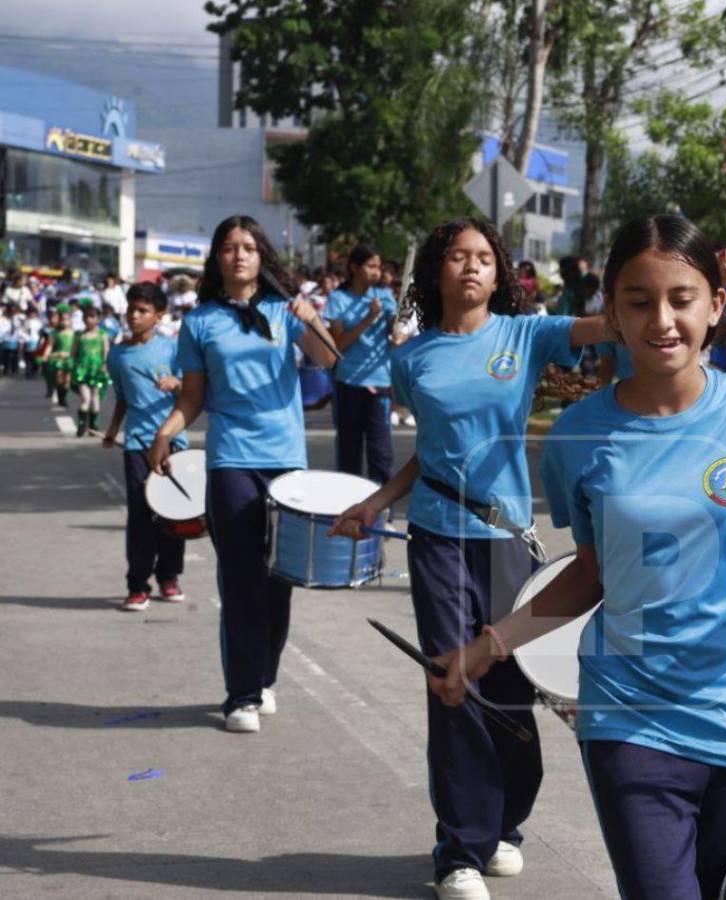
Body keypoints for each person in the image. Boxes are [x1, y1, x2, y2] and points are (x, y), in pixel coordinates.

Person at [420, 215, 726, 900]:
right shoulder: (580, 435)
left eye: (682, 298)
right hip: (626, 718)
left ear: (717, 304)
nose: (662, 320)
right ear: (610, 311)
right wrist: (486, 649)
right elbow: (592, 574)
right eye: (638, 301)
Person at [329, 216, 612, 900]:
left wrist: (662, 281)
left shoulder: (527, 335)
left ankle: (505, 826)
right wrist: (380, 500)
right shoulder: (413, 357)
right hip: (438, 536)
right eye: (458, 256)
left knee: (511, 683)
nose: (471, 266)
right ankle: (458, 847)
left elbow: (607, 329)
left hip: (508, 536)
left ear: (501, 272)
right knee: (452, 680)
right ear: (437, 270)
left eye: (484, 257)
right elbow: (433, 450)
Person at [147, 214, 337, 734]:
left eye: (248, 247)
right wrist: (165, 433)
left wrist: (311, 317)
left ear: (261, 257)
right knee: (241, 578)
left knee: (280, 578)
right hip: (231, 458)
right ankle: (241, 695)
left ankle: (265, 677)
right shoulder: (201, 322)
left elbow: (327, 358)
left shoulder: (285, 311)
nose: (239, 255)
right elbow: (192, 397)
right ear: (217, 259)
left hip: (287, 459)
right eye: (229, 247)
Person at [103, 282, 188, 611]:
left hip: (172, 440)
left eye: (143, 311)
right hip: (137, 442)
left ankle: (169, 576)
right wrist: (112, 430)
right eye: (131, 310)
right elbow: (123, 398)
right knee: (141, 514)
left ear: (159, 315)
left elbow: (192, 391)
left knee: (171, 512)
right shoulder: (118, 355)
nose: (134, 317)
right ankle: (137, 584)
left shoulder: (173, 349)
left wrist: (176, 382)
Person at [326, 243, 396, 484]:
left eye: (379, 267)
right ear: (355, 267)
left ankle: (381, 511)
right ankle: (347, 511)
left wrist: (397, 324)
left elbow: (396, 336)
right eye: (370, 266)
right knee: (349, 453)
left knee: (381, 453)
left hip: (380, 383)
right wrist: (368, 318)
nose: (376, 272)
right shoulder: (337, 298)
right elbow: (338, 345)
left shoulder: (385, 296)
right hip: (348, 383)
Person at [70, 301, 112, 436]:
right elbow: (73, 352)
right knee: (85, 399)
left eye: (92, 316)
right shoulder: (79, 335)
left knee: (95, 398)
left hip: (97, 369)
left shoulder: (102, 334)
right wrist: (71, 365)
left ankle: (93, 425)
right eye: (86, 317)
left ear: (98, 319)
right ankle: (81, 426)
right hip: (82, 369)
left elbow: (106, 351)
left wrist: (105, 365)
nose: (89, 319)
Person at [48, 304, 76, 407]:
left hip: (69, 358)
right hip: (58, 358)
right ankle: (60, 397)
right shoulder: (55, 333)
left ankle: (64, 398)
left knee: (67, 380)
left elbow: (75, 347)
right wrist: (47, 355)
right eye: (62, 320)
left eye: (67, 320)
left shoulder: (73, 333)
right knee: (59, 379)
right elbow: (50, 345)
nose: (64, 322)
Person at [21, 308, 43, 380]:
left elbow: (42, 333)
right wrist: (24, 339)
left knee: (35, 359)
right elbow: (21, 332)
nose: (32, 314)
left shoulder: (40, 322)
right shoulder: (25, 322)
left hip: (36, 342)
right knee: (27, 358)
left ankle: (34, 370)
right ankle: (28, 372)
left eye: (33, 313)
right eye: (30, 313)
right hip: (27, 341)